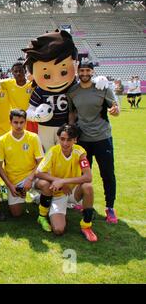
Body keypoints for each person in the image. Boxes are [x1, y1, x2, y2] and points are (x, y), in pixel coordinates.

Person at [68, 61, 120, 224]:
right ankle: (83, 202)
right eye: (82, 70)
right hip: (83, 140)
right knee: (83, 175)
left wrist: (115, 110)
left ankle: (110, 207)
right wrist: (72, 131)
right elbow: (72, 113)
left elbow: (115, 109)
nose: (84, 73)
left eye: (88, 70)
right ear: (77, 71)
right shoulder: (73, 91)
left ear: (93, 72)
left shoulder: (102, 88)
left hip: (102, 138)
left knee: (107, 173)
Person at [35, 124, 98, 242]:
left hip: (73, 191)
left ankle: (86, 225)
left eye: (69, 140)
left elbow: (88, 177)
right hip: (57, 192)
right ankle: (42, 213)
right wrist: (60, 183)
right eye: (62, 139)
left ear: (75, 140)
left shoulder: (80, 152)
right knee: (58, 230)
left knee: (88, 187)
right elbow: (38, 173)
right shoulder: (53, 151)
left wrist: (63, 181)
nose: (65, 143)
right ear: (58, 138)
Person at [0, 109, 44, 217]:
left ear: (25, 122)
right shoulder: (2, 140)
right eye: (16, 122)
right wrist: (10, 185)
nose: (19, 125)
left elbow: (41, 162)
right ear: (10, 122)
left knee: (45, 184)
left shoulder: (33, 137)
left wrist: (30, 178)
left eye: (22, 122)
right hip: (14, 181)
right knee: (16, 214)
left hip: (32, 176)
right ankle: (17, 193)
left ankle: (42, 201)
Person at [0, 62, 36, 133]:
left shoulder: (32, 84)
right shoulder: (7, 83)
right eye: (16, 71)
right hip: (15, 120)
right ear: (12, 73)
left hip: (29, 120)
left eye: (20, 71)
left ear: (25, 71)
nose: (18, 73)